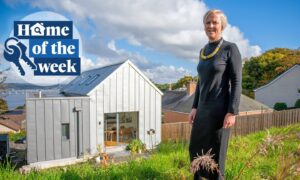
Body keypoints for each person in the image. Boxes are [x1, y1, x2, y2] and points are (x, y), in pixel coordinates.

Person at [188, 9, 242, 180]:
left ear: (222, 26)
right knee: (195, 150)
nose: (211, 26)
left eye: (215, 22)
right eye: (207, 22)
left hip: (220, 112)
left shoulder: (230, 49)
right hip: (202, 111)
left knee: (216, 156)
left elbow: (236, 82)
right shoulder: (203, 51)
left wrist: (232, 111)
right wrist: (194, 107)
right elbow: (200, 82)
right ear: (204, 26)